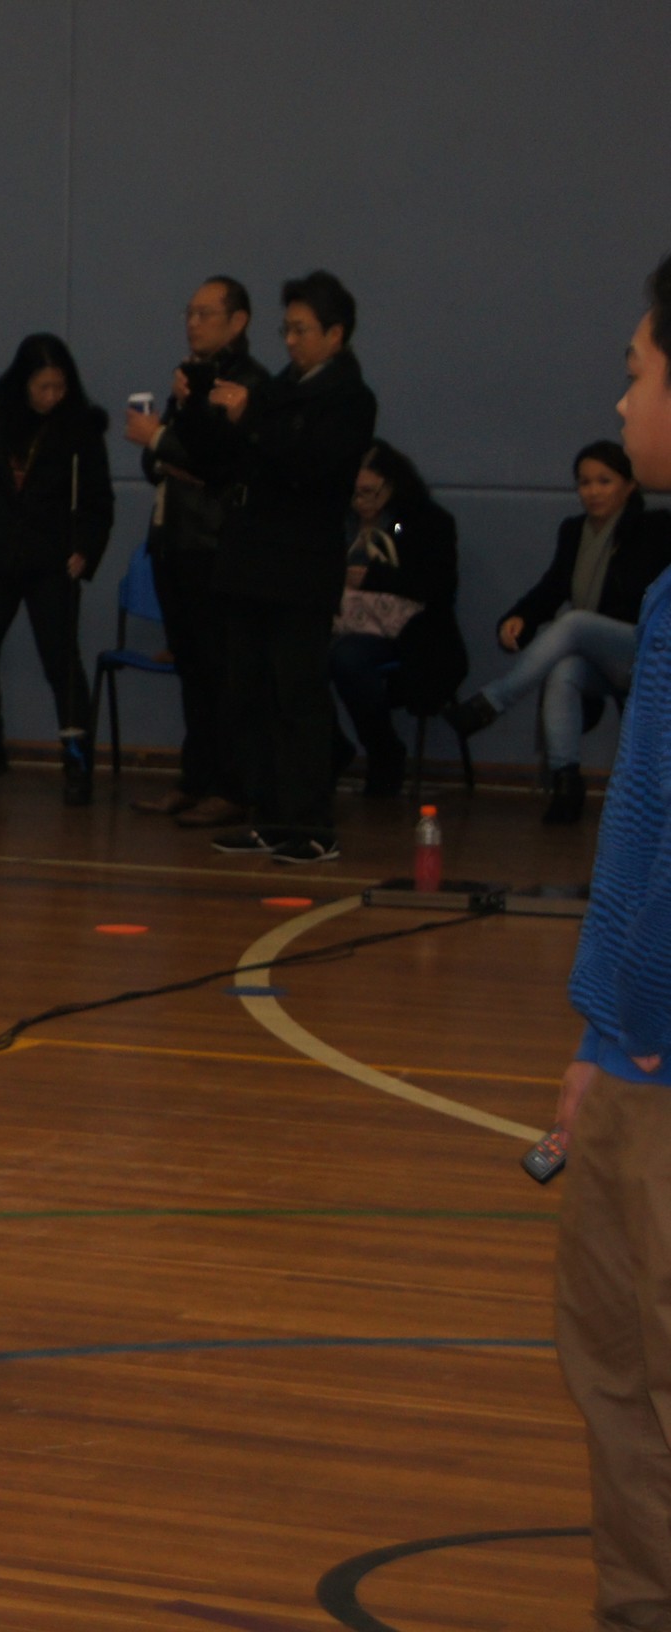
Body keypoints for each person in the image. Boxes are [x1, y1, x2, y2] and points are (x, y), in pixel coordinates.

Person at [552, 250, 671, 1632]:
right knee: (610, 1356)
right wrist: (595, 1035)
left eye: (639, 374)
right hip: (632, 1046)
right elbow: (636, 833)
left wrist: (631, 1026)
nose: (624, 398)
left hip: (660, 1052)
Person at [208, 271, 378, 864]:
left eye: (302, 330)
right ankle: (269, 814)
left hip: (300, 566)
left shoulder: (350, 398)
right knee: (250, 692)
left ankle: (312, 823)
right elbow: (234, 461)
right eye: (286, 329)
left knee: (297, 695)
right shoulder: (278, 388)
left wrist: (252, 421)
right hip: (251, 558)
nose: (290, 341)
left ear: (335, 334)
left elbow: (314, 466)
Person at [0, 333, 114, 805]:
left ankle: (76, 760)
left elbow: (98, 501)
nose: (52, 396)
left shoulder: (80, 426)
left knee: (61, 664)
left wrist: (86, 550)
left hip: (53, 560)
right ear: (23, 383)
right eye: (43, 387)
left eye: (60, 387)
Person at [447, 440, 671, 823]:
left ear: (629, 485)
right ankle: (566, 781)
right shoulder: (573, 531)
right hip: (604, 658)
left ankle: (492, 701)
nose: (593, 491)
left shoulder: (654, 528)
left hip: (648, 650)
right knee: (564, 670)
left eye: (604, 481)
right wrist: (520, 618)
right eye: (584, 482)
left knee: (575, 623)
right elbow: (551, 589)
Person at [122, 276, 272, 827]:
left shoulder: (247, 385)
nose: (193, 322)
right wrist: (166, 446)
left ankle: (231, 785)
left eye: (206, 313)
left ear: (238, 321)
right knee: (192, 668)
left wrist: (166, 443)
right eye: (189, 312)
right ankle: (196, 778)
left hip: (216, 543)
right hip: (175, 538)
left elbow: (217, 464)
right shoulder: (189, 376)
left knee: (220, 671)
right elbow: (157, 461)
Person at [326, 441, 459, 797]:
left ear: (393, 485)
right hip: (338, 618)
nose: (360, 501)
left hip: (405, 630)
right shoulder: (338, 519)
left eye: (369, 492)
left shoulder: (424, 522)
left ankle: (383, 749)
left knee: (347, 658)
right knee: (294, 654)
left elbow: (436, 585)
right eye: (353, 492)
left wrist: (372, 578)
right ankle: (330, 745)